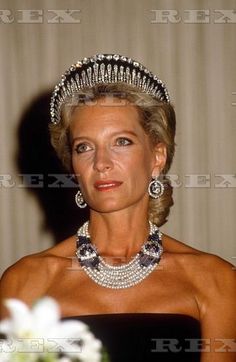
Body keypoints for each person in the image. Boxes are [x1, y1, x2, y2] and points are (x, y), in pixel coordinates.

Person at [0, 54, 235, 362]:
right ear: (73, 166)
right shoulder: (27, 281)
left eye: (121, 141)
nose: (101, 163)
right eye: (84, 147)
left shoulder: (214, 279)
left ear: (157, 156)